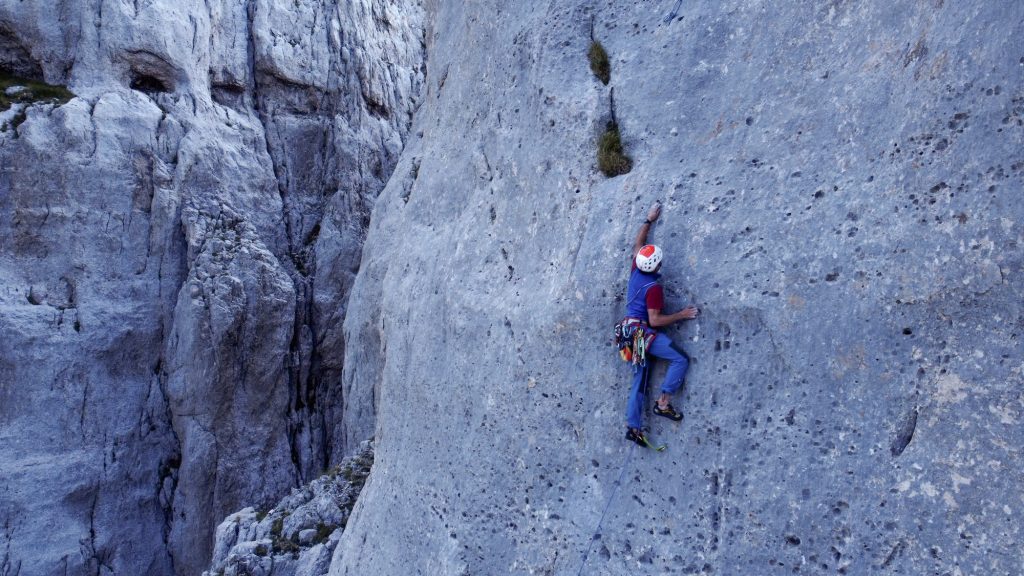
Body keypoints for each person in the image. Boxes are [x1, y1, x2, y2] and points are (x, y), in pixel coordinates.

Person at [623, 201, 698, 447]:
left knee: (641, 379)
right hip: (642, 333)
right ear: (656, 265)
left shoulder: (636, 267)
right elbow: (655, 320)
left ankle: (633, 428)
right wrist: (682, 314)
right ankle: (663, 403)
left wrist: (649, 219)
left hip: (629, 332)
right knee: (680, 359)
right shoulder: (653, 288)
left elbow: (637, 244)